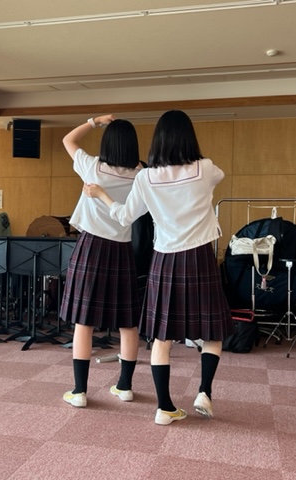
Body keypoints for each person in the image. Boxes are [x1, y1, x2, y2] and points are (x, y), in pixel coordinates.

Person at [83, 110, 234, 425]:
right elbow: (219, 175)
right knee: (212, 332)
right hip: (199, 256)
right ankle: (204, 391)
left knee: (162, 337)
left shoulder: (146, 177)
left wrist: (101, 195)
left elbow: (124, 216)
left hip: (164, 259)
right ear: (189, 137)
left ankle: (164, 407)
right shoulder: (205, 168)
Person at [60, 114, 143, 408]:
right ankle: (125, 387)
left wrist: (94, 121)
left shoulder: (93, 167)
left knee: (84, 321)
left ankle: (79, 392)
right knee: (127, 322)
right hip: (122, 249)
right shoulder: (141, 175)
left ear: (107, 143)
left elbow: (68, 140)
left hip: (91, 247)